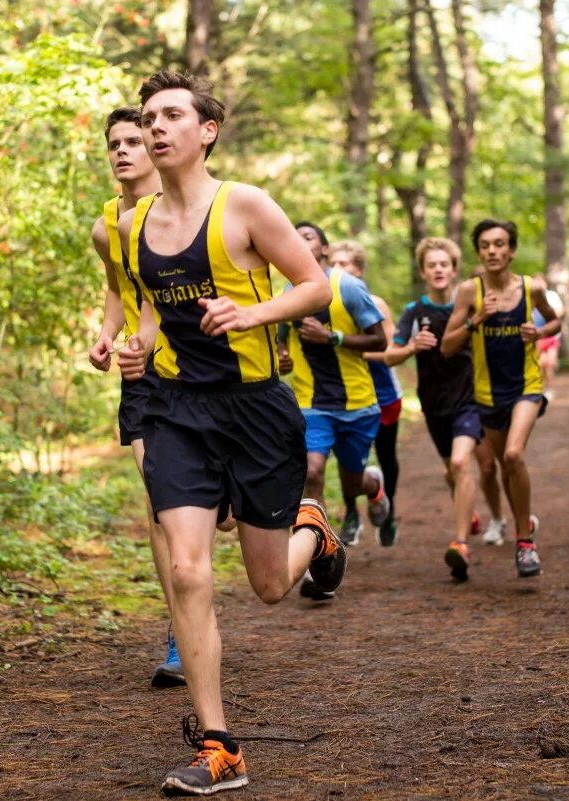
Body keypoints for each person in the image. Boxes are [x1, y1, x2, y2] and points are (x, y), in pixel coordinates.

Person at [117, 70, 345, 797]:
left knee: (271, 584)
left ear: (205, 130)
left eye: (171, 115)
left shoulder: (243, 204)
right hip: (177, 410)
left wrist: (254, 314)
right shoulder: (132, 227)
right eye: (149, 116)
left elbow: (315, 286)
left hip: (255, 411)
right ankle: (220, 744)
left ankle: (315, 526)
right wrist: (131, 346)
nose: (156, 127)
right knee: (186, 569)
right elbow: (149, 312)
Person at [86, 107, 185, 688]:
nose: (124, 151)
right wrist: (107, 333)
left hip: (199, 369)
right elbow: (120, 288)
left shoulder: (181, 211)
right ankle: (179, 631)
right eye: (114, 144)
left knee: (218, 514)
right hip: (140, 372)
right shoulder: (106, 226)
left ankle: (295, 520)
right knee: (158, 500)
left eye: (134, 141)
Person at [441, 219, 562, 578]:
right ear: (478, 252)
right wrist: (475, 321)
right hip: (487, 394)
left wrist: (538, 331)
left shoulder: (531, 288)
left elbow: (556, 322)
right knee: (500, 468)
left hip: (525, 386)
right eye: (485, 245)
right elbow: (448, 346)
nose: (492, 251)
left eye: (499, 244)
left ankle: (525, 543)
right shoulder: (469, 292)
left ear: (511, 250)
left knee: (513, 454)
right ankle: (522, 525)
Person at [275, 232, 388, 604]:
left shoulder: (349, 288)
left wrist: (333, 338)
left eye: (308, 235)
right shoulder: (287, 297)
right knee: (311, 472)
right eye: (294, 235)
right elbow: (279, 347)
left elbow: (380, 341)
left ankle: (373, 486)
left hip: (357, 405)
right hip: (311, 404)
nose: (300, 240)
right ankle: (317, 560)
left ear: (324, 248)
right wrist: (282, 360)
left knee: (352, 484)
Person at [383, 237, 483, 581]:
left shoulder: (471, 306)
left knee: (460, 463)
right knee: (451, 471)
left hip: (470, 399)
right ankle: (465, 510)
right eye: (432, 265)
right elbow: (389, 355)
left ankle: (460, 544)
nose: (439, 270)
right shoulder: (415, 312)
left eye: (444, 264)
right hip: (434, 403)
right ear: (424, 272)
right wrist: (411, 346)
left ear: (454, 270)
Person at [327, 239, 403, 547]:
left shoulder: (376, 303)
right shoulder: (323, 303)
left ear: (358, 270)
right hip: (342, 392)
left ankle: (388, 507)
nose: (337, 270)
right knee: (348, 460)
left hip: (382, 391)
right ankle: (351, 516)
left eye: (344, 265)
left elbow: (388, 348)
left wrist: (343, 346)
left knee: (386, 456)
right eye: (333, 263)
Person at [531, 274, 566, 401]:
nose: (538, 284)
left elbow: (560, 311)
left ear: (545, 283)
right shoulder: (530, 296)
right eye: (536, 282)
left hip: (551, 336)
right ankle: (540, 389)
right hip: (537, 335)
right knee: (540, 364)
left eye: (540, 282)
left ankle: (549, 389)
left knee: (550, 363)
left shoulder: (551, 295)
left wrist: (550, 317)